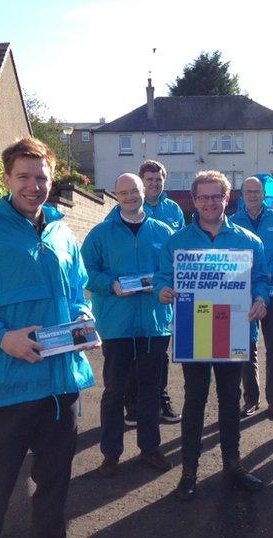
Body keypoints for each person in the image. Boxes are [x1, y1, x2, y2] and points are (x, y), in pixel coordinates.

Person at [0, 137, 95, 538]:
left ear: (51, 179)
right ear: (6, 179)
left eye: (40, 177)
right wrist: (0, 338)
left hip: (62, 387)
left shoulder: (63, 233)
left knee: (54, 490)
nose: (32, 185)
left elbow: (79, 292)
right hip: (8, 389)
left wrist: (83, 318)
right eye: (22, 176)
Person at [155, 170, 269, 501]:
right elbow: (163, 277)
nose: (209, 203)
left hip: (234, 331)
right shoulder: (177, 242)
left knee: (230, 399)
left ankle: (233, 466)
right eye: (202, 197)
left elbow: (263, 279)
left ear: (226, 197)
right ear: (194, 200)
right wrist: (163, 290)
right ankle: (189, 470)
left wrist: (261, 298)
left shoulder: (249, 241)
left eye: (215, 196)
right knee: (195, 400)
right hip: (196, 332)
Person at [81, 172, 174, 478]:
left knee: (150, 390)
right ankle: (111, 453)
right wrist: (112, 284)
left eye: (134, 191)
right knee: (114, 392)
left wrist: (159, 283)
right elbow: (86, 273)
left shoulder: (164, 232)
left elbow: (172, 271)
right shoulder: (100, 234)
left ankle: (150, 448)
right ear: (116, 196)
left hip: (154, 324)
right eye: (123, 193)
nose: (130, 197)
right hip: (117, 325)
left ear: (143, 192)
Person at [125, 159, 184, 424]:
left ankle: (162, 401)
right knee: (134, 353)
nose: (154, 184)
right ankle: (132, 405)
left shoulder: (173, 209)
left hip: (162, 294)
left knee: (160, 353)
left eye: (158, 179)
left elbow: (181, 248)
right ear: (141, 182)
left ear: (164, 180)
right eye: (149, 180)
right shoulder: (127, 207)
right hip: (133, 295)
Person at [230, 176, 273, 419]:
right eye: (248, 191)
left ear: (264, 194)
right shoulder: (232, 221)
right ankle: (250, 399)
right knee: (245, 348)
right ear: (241, 194)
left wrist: (272, 275)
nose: (252, 195)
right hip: (243, 294)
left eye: (257, 191)